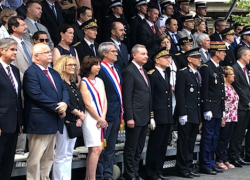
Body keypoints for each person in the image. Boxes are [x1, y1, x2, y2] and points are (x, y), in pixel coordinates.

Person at [23, 43, 69, 180]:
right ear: (36, 57)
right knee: (36, 157)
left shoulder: (54, 72)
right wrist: (57, 106)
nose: (50, 54)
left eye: (50, 51)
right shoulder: (31, 72)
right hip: (40, 121)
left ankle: (44, 178)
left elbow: (64, 89)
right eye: (46, 52)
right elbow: (35, 94)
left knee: (49, 156)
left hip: (54, 119)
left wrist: (65, 104)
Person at [52, 55, 85, 180]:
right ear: (62, 66)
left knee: (69, 153)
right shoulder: (59, 83)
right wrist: (78, 113)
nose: (73, 67)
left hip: (74, 121)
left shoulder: (72, 83)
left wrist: (80, 116)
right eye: (70, 65)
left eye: (74, 65)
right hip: (64, 120)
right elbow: (66, 103)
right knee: (61, 154)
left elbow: (78, 101)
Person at [122, 44, 151, 180]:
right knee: (131, 147)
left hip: (144, 116)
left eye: (146, 54)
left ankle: (135, 172)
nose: (146, 56)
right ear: (134, 55)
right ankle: (129, 174)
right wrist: (129, 117)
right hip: (135, 116)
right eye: (143, 54)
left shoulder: (142, 70)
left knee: (139, 147)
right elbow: (127, 96)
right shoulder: (129, 71)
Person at [96, 42, 123, 180]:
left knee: (111, 146)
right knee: (102, 146)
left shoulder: (116, 68)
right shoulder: (100, 69)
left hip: (116, 112)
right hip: (105, 113)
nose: (116, 53)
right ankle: (100, 175)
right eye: (113, 51)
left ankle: (108, 174)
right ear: (105, 53)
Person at [146, 47, 173, 180]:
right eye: (165, 58)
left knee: (163, 145)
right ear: (157, 60)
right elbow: (151, 97)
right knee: (155, 144)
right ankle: (151, 171)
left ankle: (158, 170)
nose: (168, 60)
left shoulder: (165, 73)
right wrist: (151, 116)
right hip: (157, 114)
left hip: (166, 114)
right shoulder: (152, 74)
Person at [199, 41, 226, 175]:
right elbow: (204, 90)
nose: (225, 54)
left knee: (215, 136)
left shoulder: (218, 67)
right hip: (210, 107)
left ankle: (211, 161)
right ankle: (205, 163)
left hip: (217, 108)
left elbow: (221, 90)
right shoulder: (206, 67)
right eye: (223, 51)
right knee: (208, 136)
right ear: (217, 52)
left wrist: (222, 109)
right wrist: (206, 108)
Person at [79, 56, 108, 180]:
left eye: (99, 64)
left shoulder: (100, 81)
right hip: (91, 119)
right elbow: (87, 104)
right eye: (95, 64)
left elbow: (104, 100)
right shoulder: (84, 82)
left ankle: (88, 177)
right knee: (96, 148)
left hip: (101, 118)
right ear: (88, 66)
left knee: (95, 149)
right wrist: (99, 119)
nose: (98, 67)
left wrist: (103, 117)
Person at [175, 47, 202, 178]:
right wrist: (182, 112)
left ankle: (189, 166)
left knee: (191, 141)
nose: (199, 60)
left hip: (195, 112)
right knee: (184, 141)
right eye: (196, 58)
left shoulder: (197, 73)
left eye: (199, 57)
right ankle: (182, 167)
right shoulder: (183, 73)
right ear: (189, 59)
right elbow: (180, 94)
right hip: (186, 112)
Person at [0, 38, 23, 180]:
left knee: (8, 163)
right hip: (1, 123)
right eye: (12, 50)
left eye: (16, 50)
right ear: (1, 50)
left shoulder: (14, 70)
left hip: (13, 124)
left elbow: (17, 98)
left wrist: (19, 121)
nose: (15, 53)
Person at [229, 47, 250, 167]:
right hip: (241, 105)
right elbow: (238, 88)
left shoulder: (245, 69)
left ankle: (238, 155)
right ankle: (233, 156)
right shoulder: (235, 68)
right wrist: (247, 102)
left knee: (242, 132)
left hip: (246, 105)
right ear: (243, 56)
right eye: (249, 55)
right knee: (237, 133)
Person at [216, 66, 238, 170]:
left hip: (233, 116)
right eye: (232, 74)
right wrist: (222, 117)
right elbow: (223, 103)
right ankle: (219, 159)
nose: (234, 76)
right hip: (226, 116)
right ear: (225, 76)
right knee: (222, 138)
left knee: (227, 138)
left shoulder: (232, 87)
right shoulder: (223, 87)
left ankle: (225, 158)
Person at [137, 6, 165, 71]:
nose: (157, 16)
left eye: (158, 14)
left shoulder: (154, 26)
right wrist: (157, 34)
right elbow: (145, 43)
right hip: (149, 60)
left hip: (156, 58)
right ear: (149, 14)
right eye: (155, 14)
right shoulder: (142, 26)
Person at [9, 16, 32, 80]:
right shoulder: (7, 43)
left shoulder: (29, 44)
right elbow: (10, 65)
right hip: (19, 81)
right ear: (14, 28)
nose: (26, 27)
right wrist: (26, 79)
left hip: (34, 81)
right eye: (23, 25)